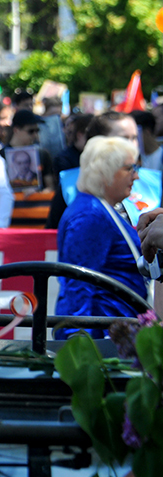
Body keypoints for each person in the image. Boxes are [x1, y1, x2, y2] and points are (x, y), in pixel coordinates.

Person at [56, 136, 147, 339]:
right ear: (106, 172)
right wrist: (79, 342)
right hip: (104, 337)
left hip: (113, 329)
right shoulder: (90, 215)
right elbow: (78, 285)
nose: (136, 176)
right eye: (130, 168)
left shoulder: (96, 209)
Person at [2, 109, 53, 190]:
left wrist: (39, 194)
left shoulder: (42, 154)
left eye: (37, 131)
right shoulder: (0, 156)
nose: (35, 135)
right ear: (16, 130)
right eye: (31, 131)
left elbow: (50, 187)